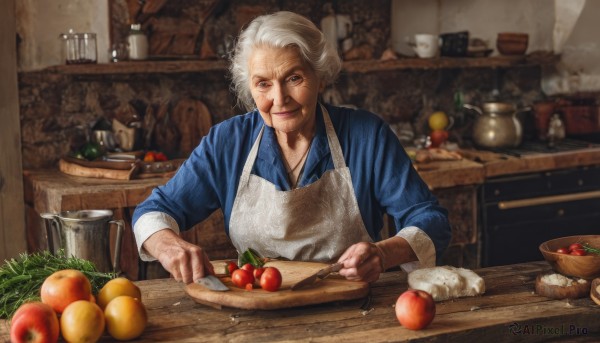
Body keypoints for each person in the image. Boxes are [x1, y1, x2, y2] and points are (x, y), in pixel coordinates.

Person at [132, 11, 451, 284]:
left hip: (352, 308)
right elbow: (153, 211)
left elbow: (430, 220)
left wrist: (383, 253)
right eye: (263, 84)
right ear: (250, 88)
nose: (279, 99)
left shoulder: (366, 135)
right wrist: (170, 247)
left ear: (320, 76)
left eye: (294, 78)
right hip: (258, 306)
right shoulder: (228, 142)